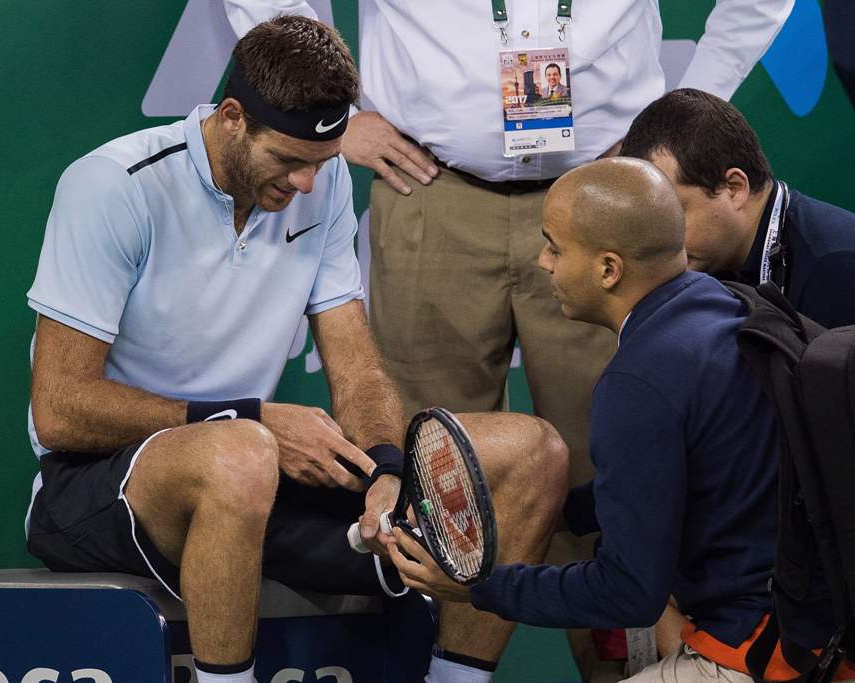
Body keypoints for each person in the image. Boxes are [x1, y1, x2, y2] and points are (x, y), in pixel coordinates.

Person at [224, 1, 795, 675]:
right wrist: (337, 118)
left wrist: (678, 115)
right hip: (431, 188)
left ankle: (634, 672)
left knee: (618, 488)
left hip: (605, 198)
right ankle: (422, 671)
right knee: (420, 486)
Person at [24, 16, 567, 683]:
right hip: (98, 488)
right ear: (230, 118)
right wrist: (245, 416)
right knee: (243, 449)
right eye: (288, 161)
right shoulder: (115, 185)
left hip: (248, 476)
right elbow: (59, 409)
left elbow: (357, 366)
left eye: (323, 162)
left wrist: (387, 471)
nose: (307, 184)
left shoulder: (324, 184)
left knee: (533, 452)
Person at [388, 157, 855, 683]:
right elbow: (674, 475)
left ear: (608, 269)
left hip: (764, 654)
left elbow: (628, 593)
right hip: (821, 626)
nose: (543, 262)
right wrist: (550, 507)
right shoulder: (727, 302)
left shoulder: (637, 383)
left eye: (555, 247)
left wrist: (479, 587)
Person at [621, 88, 855, 328]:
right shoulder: (715, 264)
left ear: (734, 188)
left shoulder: (836, 270)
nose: (661, 242)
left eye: (672, 215)